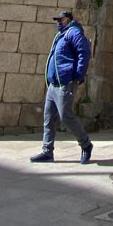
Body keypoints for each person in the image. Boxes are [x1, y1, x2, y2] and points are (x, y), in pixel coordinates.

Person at [30, 10, 93, 164]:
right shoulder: (61, 35)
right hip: (53, 84)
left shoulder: (73, 32)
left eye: (61, 19)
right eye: (57, 20)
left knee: (66, 116)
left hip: (65, 83)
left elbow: (84, 53)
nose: (58, 22)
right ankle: (47, 152)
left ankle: (86, 145)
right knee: (48, 118)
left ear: (69, 19)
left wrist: (78, 76)